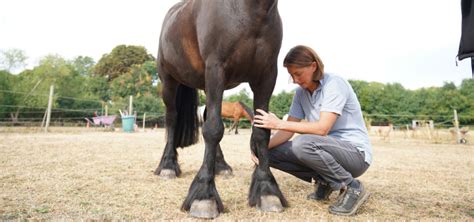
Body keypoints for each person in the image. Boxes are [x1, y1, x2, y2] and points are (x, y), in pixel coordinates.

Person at [252, 45, 372, 216]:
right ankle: (325, 181)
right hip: (326, 151)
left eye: (298, 74)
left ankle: (352, 187)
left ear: (313, 66)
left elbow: (322, 128)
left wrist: (278, 123)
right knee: (269, 153)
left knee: (303, 143)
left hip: (355, 154)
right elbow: (287, 132)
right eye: (291, 75)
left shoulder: (335, 84)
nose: (294, 80)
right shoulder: (300, 94)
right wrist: (261, 149)